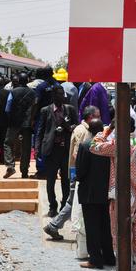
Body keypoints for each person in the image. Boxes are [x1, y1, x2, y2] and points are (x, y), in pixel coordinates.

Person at [90, 118, 136, 271]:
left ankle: (123, 269)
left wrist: (107, 130)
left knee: (120, 235)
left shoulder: (117, 145)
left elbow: (93, 146)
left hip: (121, 198)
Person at [43, 105, 100, 246]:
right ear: (90, 117)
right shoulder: (83, 131)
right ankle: (54, 226)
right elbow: (77, 153)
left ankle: (54, 225)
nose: (100, 118)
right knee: (72, 201)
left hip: (78, 171)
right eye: (98, 115)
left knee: (72, 201)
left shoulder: (81, 129)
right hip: (80, 172)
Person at [76, 119, 115, 269]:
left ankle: (95, 259)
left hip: (90, 193)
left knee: (92, 227)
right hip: (106, 192)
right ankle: (109, 257)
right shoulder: (109, 146)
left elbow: (80, 172)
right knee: (105, 225)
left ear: (89, 131)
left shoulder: (86, 146)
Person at [36, 85, 79, 217]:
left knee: (66, 181)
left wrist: (67, 127)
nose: (62, 97)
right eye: (59, 94)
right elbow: (40, 130)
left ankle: (63, 206)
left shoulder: (70, 110)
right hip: (51, 149)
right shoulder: (45, 110)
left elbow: (77, 126)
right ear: (53, 96)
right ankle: (52, 206)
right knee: (50, 180)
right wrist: (37, 148)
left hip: (66, 149)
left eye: (63, 94)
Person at [3, 72, 37, 178]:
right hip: (27, 124)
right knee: (26, 148)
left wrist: (10, 118)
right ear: (27, 81)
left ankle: (10, 166)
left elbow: (7, 109)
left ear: (18, 81)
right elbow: (35, 108)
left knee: (7, 143)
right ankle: (25, 171)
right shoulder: (33, 93)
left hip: (14, 122)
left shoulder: (13, 92)